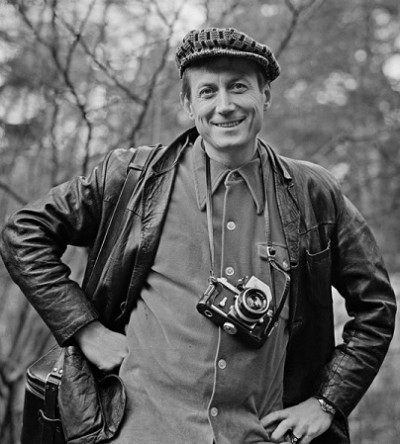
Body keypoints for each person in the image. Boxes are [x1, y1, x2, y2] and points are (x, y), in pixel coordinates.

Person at [0, 27, 396, 444]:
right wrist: (86, 331)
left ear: (265, 95)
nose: (224, 106)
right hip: (137, 433)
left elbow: (376, 306)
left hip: (259, 435)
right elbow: (23, 232)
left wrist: (327, 402)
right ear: (189, 105)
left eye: (238, 87)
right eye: (208, 92)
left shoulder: (313, 194)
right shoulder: (132, 179)